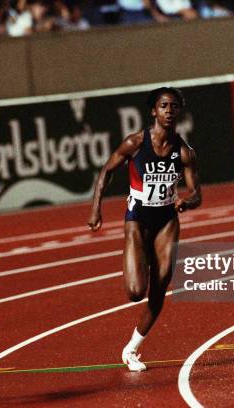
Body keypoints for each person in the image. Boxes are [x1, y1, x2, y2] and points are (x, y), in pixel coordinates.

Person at [88, 87, 202, 371]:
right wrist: (96, 208)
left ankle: (132, 349)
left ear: (179, 112)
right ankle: (136, 261)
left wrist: (186, 203)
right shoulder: (136, 143)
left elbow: (197, 193)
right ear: (153, 111)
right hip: (137, 218)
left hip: (166, 221)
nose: (168, 110)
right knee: (135, 292)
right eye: (163, 105)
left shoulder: (185, 152)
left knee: (159, 289)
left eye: (174, 106)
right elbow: (106, 171)